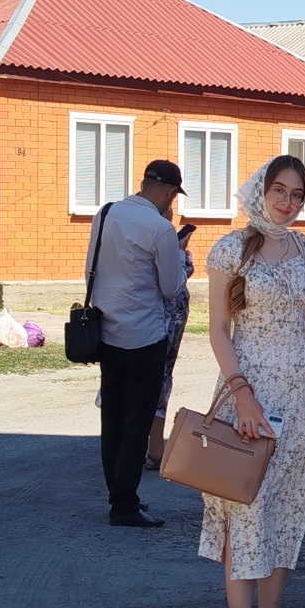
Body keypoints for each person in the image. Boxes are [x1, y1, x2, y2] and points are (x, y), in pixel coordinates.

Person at [200, 155, 305, 608]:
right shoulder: (231, 248)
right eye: (279, 190)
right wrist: (242, 394)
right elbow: (217, 330)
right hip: (247, 395)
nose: (287, 202)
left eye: (297, 194)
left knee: (287, 510)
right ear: (261, 190)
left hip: (301, 399)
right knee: (245, 508)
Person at [85, 160, 186, 528]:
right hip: (145, 337)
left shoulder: (105, 212)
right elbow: (171, 288)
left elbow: (90, 270)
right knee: (136, 422)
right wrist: (178, 253)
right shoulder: (160, 229)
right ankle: (124, 504)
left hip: (106, 332)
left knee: (112, 417)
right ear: (170, 193)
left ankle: (118, 492)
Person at [144, 207, 195, 470]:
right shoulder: (160, 241)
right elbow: (172, 282)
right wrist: (180, 253)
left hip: (149, 322)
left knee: (151, 379)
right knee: (158, 379)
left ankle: (142, 447)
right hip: (160, 323)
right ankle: (154, 449)